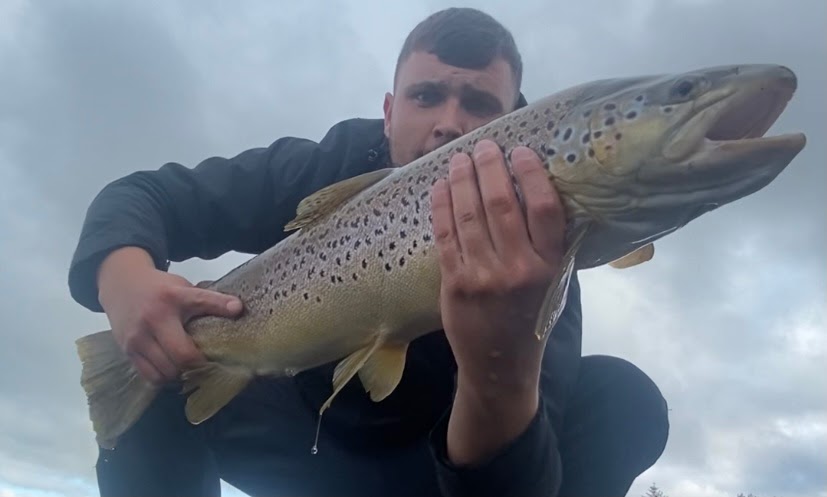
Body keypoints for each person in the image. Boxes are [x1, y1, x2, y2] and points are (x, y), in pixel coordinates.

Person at [68, 7, 669, 497]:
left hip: (436, 477)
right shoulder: (328, 162)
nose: (449, 123)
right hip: (303, 446)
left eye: (480, 106)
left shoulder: (545, 255)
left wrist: (501, 366)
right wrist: (124, 281)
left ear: (513, 122)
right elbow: (146, 195)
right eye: (426, 96)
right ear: (388, 112)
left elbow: (520, 484)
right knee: (152, 363)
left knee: (623, 399)